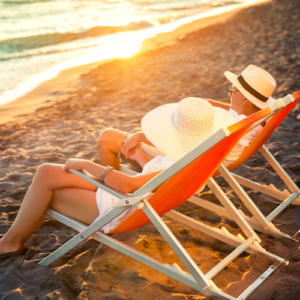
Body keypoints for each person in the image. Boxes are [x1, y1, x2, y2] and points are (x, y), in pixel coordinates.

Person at [0, 97, 236, 258]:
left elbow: (129, 184)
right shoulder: (194, 156)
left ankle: (10, 243)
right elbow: (155, 179)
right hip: (128, 197)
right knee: (47, 174)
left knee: (47, 183)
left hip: (120, 207)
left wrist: (86, 164)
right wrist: (138, 154)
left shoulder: (181, 160)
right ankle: (14, 239)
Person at [97, 64, 277, 170]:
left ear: (245, 98)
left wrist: (140, 136)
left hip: (188, 159)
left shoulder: (231, 126)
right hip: (213, 160)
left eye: (233, 90)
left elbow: (188, 142)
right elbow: (235, 111)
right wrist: (210, 103)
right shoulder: (257, 119)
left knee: (108, 138)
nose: (230, 95)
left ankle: (110, 187)